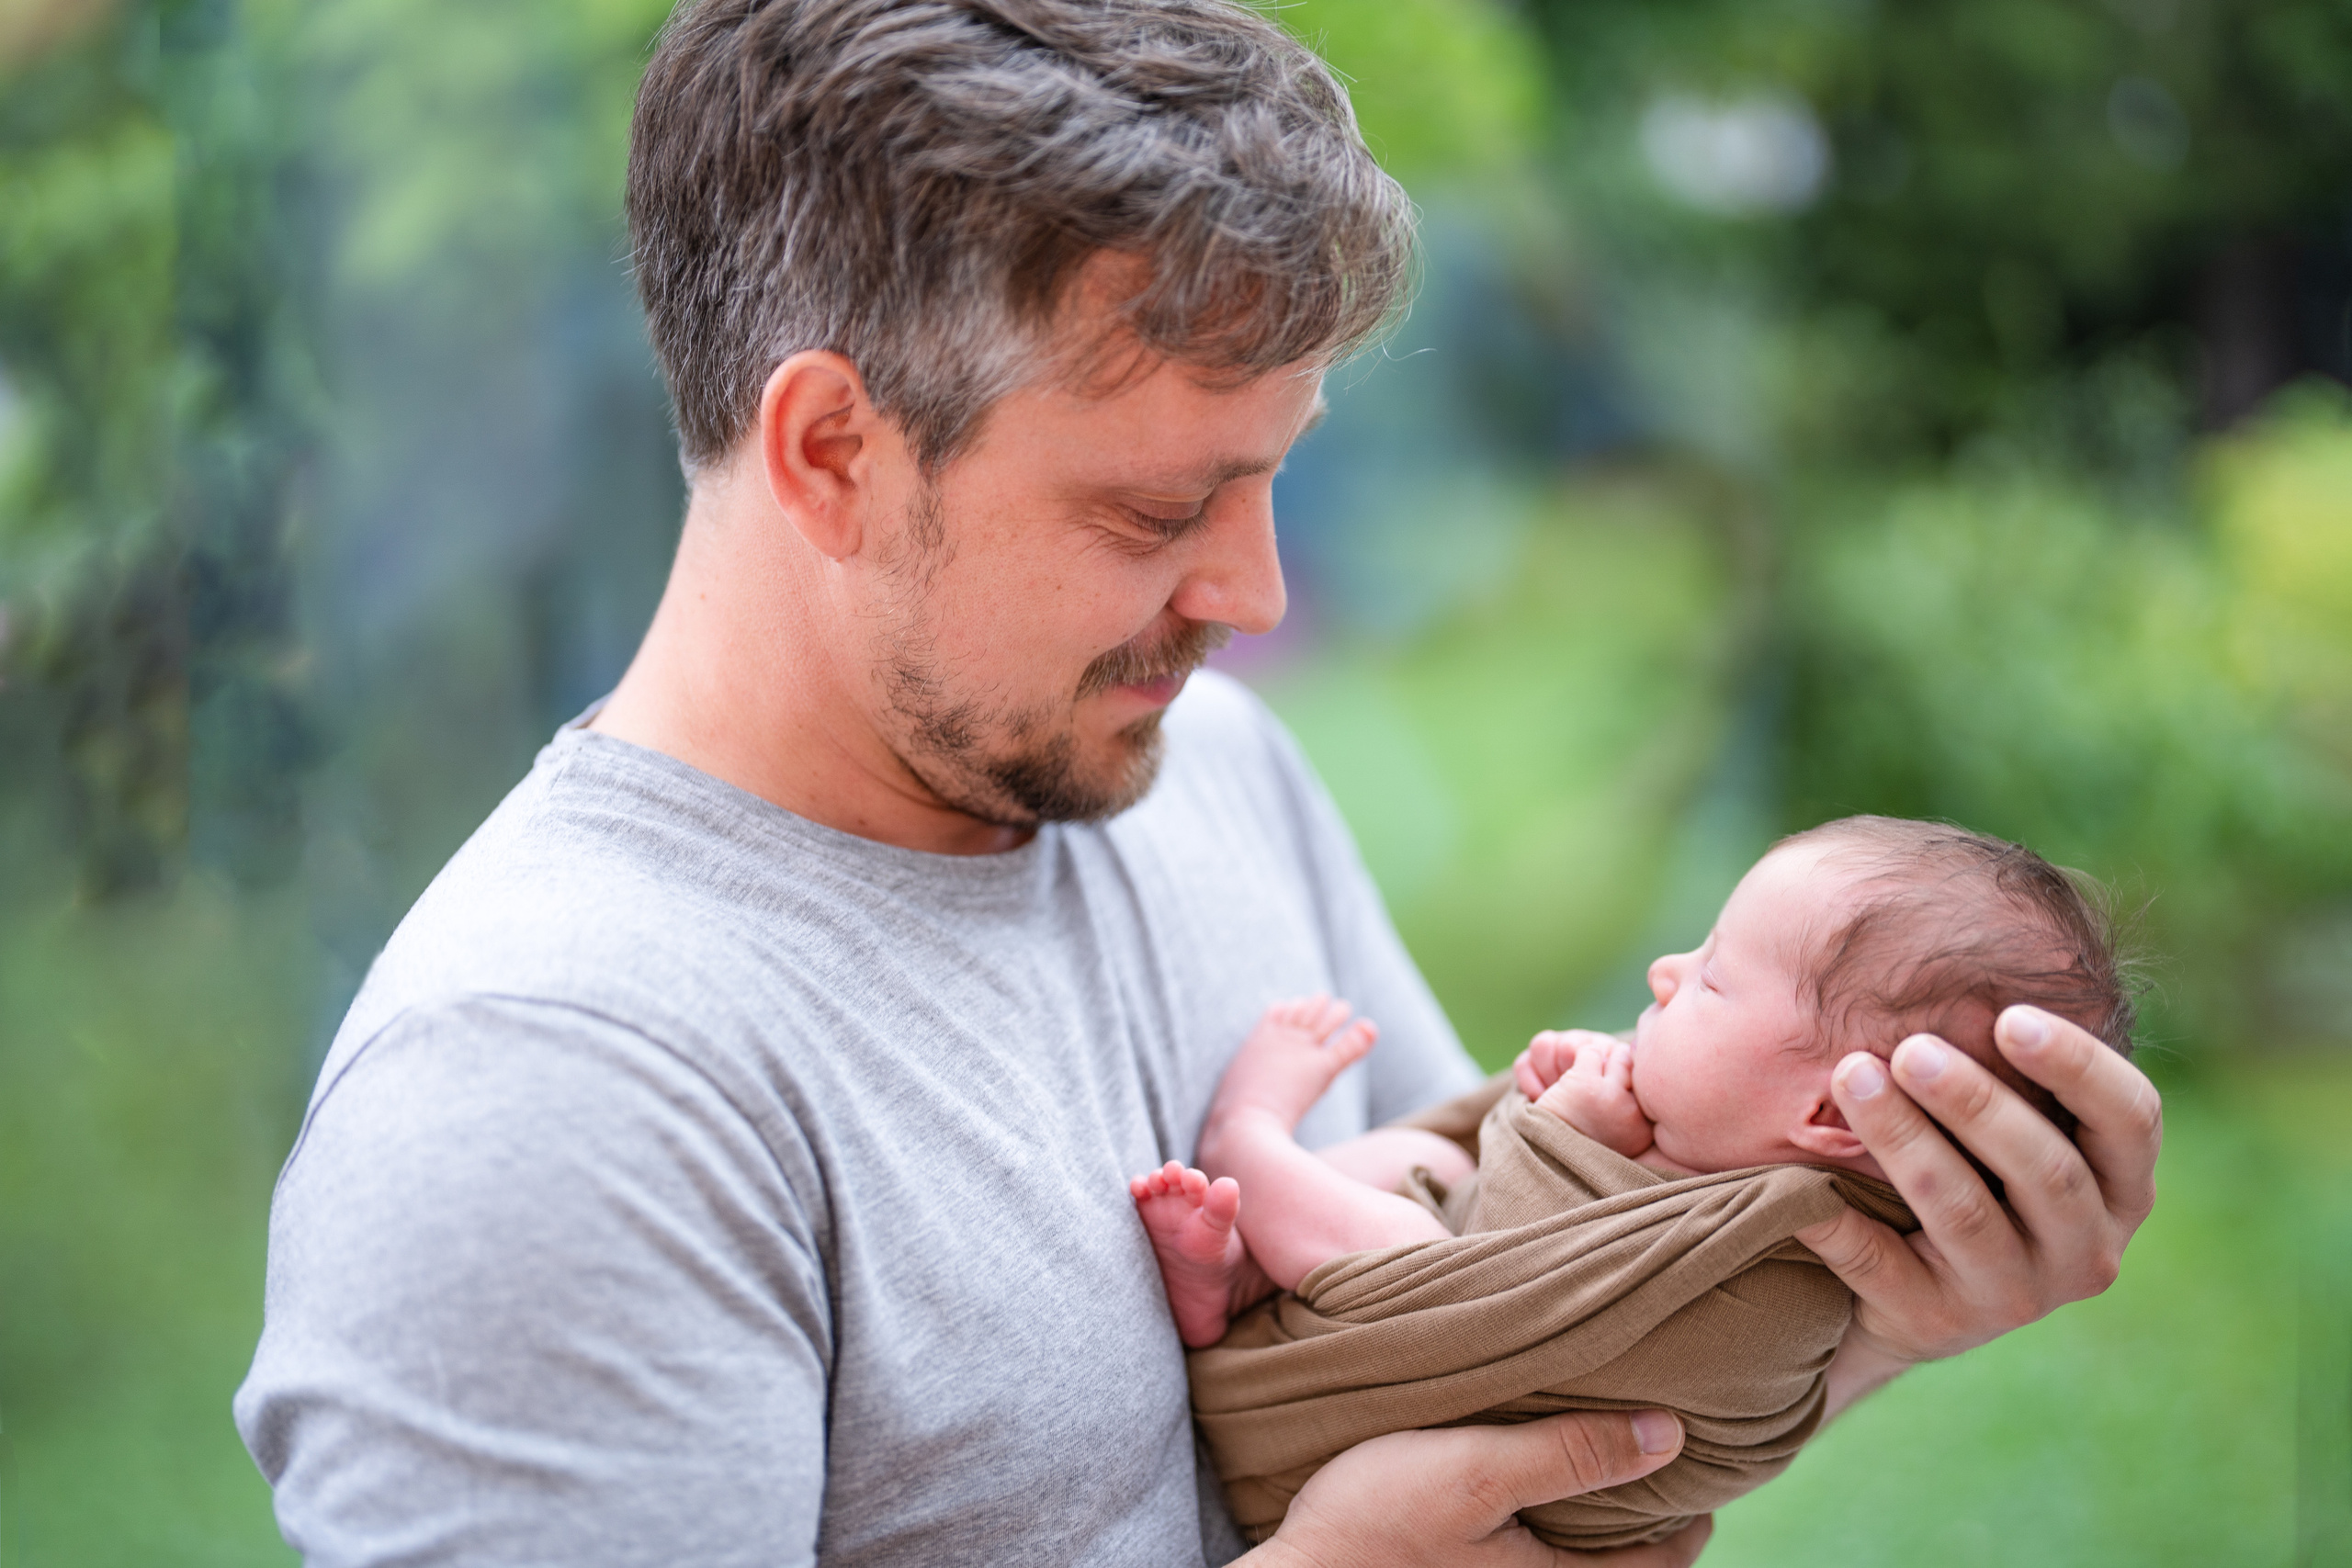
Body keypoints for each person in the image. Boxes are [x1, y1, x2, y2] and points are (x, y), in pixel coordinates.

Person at [232, 4, 2165, 1565]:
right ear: (828, 451)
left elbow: (1517, 1374)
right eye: (1159, 504)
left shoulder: (1196, 765)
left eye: (1273, 475)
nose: (1251, 596)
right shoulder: (547, 1096)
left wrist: (1855, 1308)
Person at [1133, 818, 2138, 1548]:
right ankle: (1239, 1280)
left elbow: (1511, 1275)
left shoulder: (1773, 1267)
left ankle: (1249, 1138)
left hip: (1339, 1435)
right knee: (1428, 1167)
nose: (1664, 971)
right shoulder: (1736, 1178)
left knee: (1405, 1225)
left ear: (1832, 1117)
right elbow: (1521, 1221)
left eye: (1710, 980)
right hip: (1378, 1459)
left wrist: (1560, 1126)